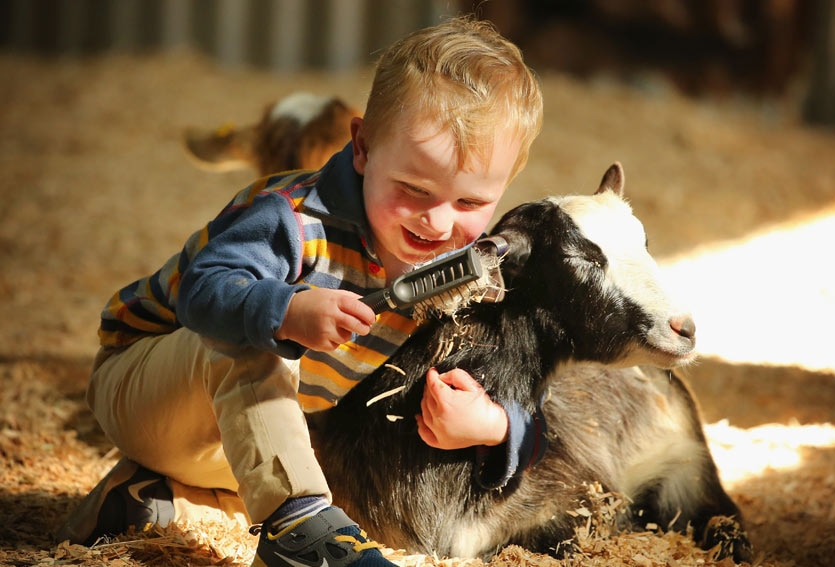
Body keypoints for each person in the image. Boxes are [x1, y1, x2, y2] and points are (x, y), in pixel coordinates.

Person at [57, 16, 544, 567]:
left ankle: (153, 505)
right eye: (413, 189)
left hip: (256, 431)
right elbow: (203, 292)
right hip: (147, 385)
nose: (435, 222)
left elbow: (529, 395)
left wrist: (496, 425)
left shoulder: (461, 271)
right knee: (254, 333)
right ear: (361, 147)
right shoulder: (291, 218)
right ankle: (299, 532)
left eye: (470, 203)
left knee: (335, 463)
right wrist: (284, 307)